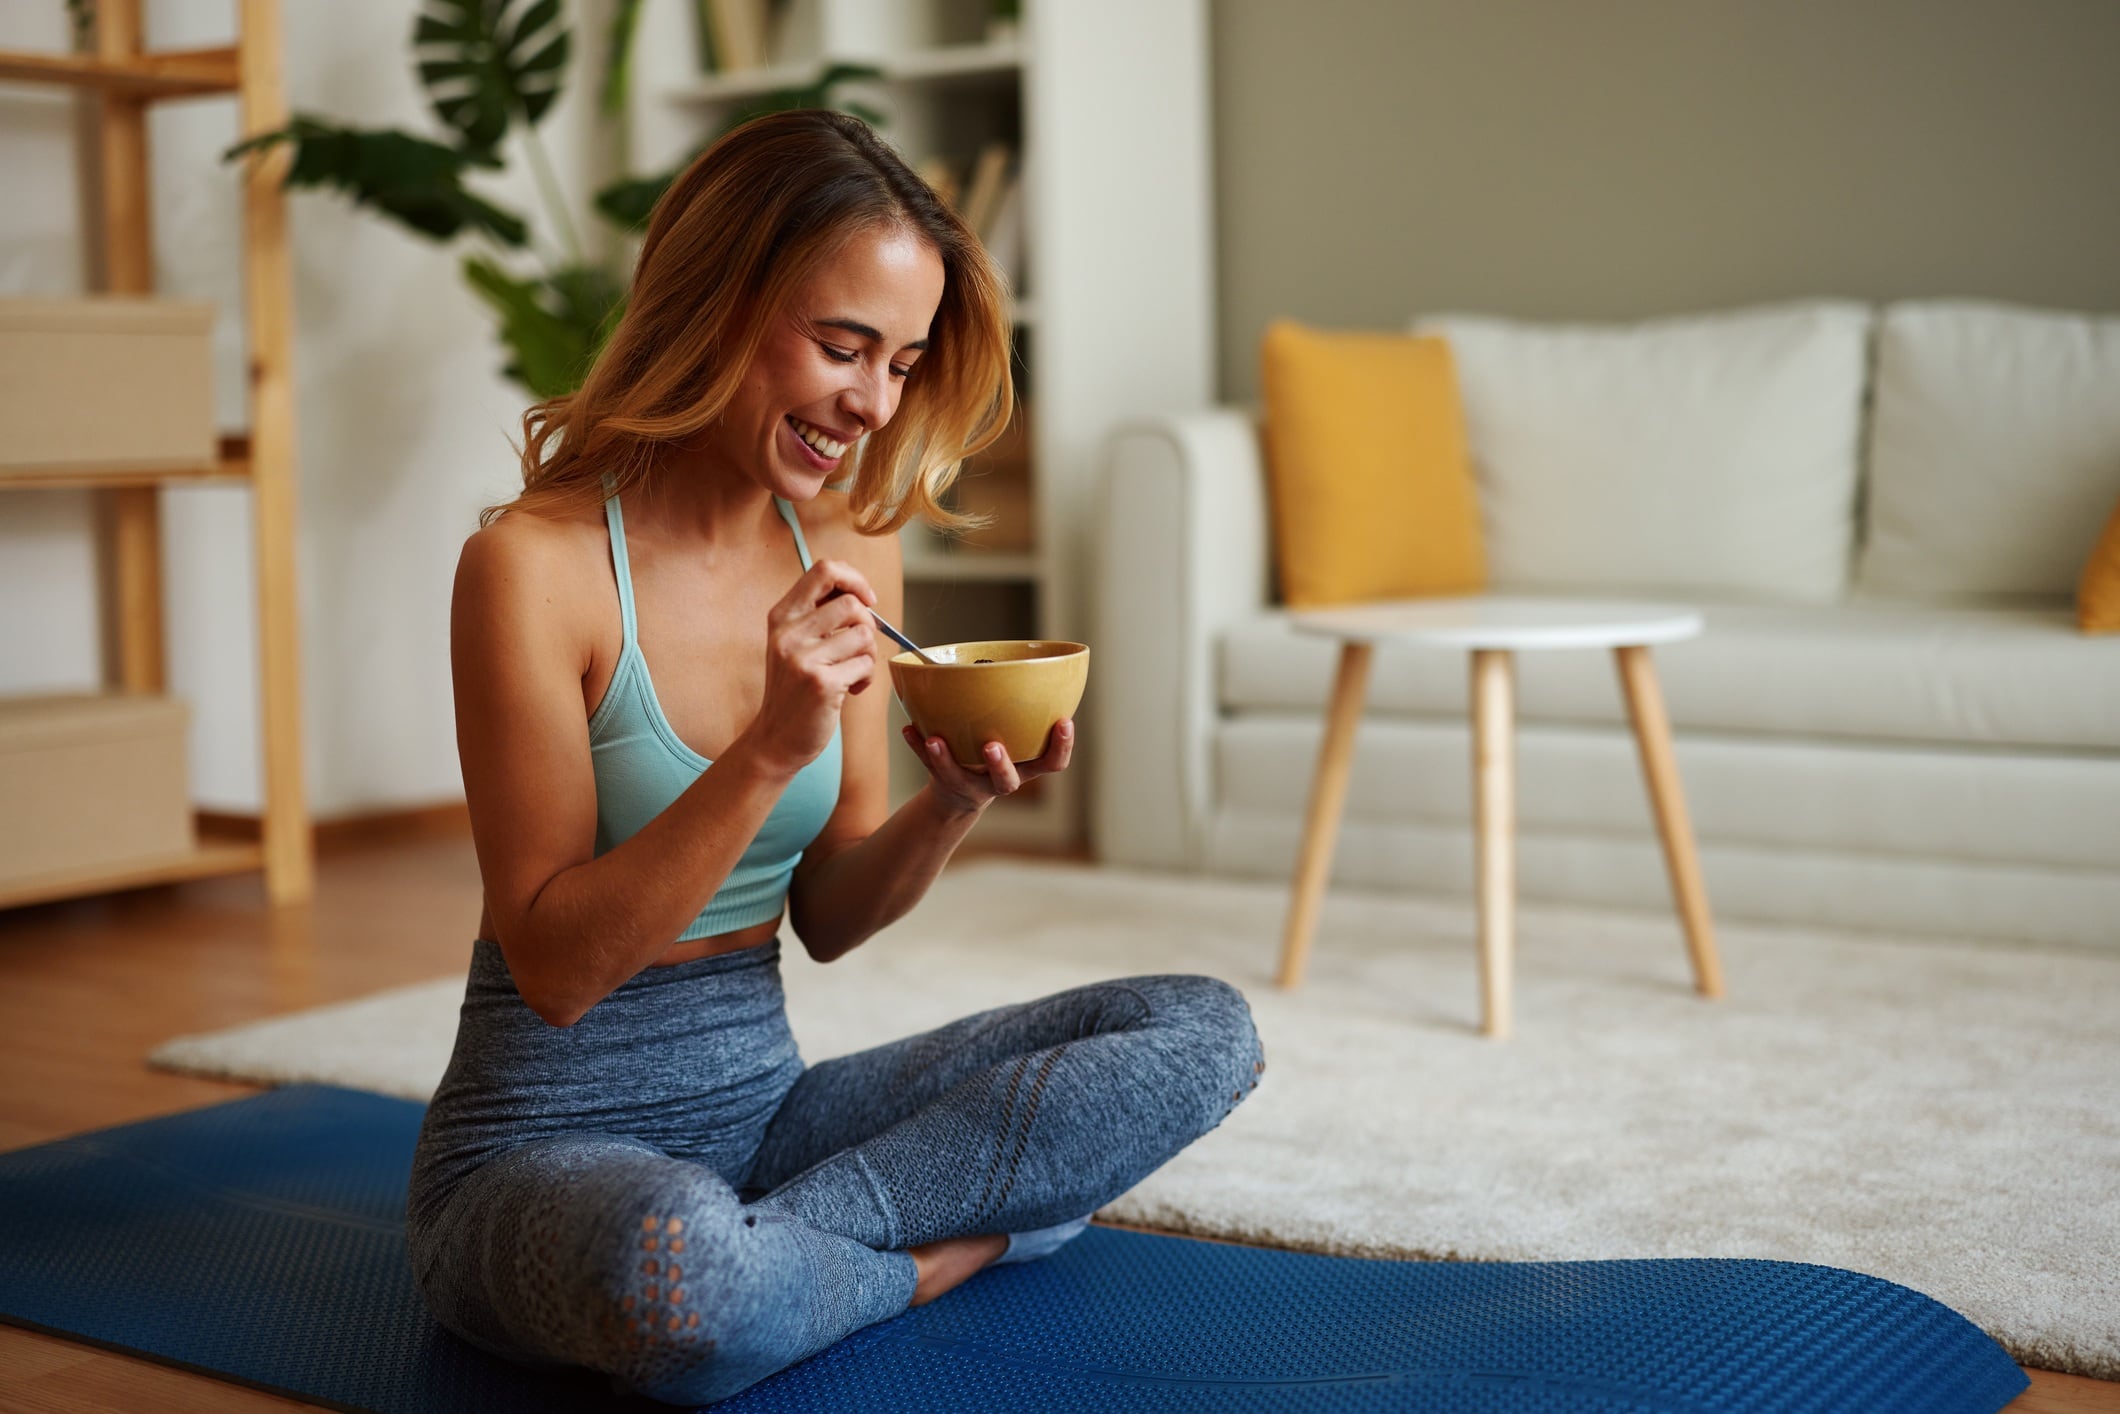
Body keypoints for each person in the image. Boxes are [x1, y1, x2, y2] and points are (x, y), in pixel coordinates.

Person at [404, 109, 1264, 1406]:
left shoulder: (848, 551)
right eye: (842, 345)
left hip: (770, 1117)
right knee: (675, 1270)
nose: (874, 403)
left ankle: (796, 1250)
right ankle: (932, 1253)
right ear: (716, 304)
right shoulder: (533, 570)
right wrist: (767, 748)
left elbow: (829, 914)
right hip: (543, 1150)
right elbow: (558, 966)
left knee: (1201, 1031)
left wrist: (954, 802)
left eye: (904, 361)